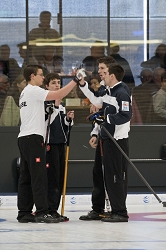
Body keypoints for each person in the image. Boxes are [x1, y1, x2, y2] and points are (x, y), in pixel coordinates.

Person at [17, 64, 79, 223]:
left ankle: (24, 212)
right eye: (40, 74)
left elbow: (48, 114)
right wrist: (75, 80)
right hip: (33, 138)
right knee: (39, 176)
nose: (42, 77)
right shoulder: (33, 90)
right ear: (32, 76)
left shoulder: (25, 93)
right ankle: (42, 212)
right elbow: (59, 93)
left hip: (24, 137)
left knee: (26, 177)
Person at [78, 58, 132, 222]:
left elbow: (125, 115)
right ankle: (98, 209)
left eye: (104, 71)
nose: (101, 74)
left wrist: (106, 119)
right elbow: (96, 101)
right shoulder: (108, 91)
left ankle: (120, 211)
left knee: (115, 176)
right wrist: (82, 84)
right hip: (105, 138)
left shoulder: (121, 92)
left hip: (116, 140)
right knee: (99, 174)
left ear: (112, 75)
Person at [43, 73, 74, 221]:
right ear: (47, 86)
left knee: (60, 177)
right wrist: (55, 106)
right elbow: (46, 123)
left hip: (61, 144)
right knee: (52, 178)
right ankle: (49, 208)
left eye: (58, 83)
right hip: (50, 145)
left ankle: (55, 208)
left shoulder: (60, 105)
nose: (57, 85)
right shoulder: (45, 103)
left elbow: (63, 126)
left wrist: (68, 119)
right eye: (53, 83)